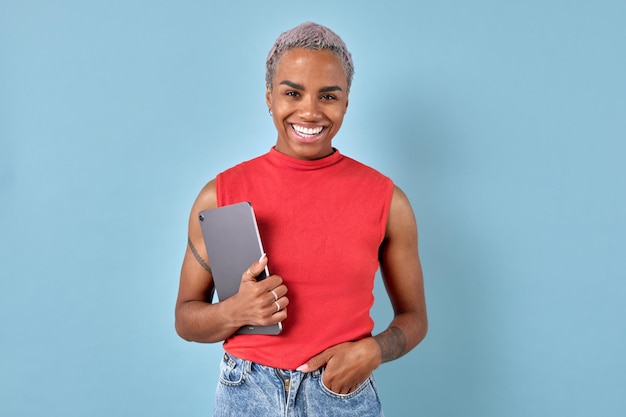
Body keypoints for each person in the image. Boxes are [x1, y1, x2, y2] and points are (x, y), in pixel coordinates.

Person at [175, 22, 427, 416]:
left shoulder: (387, 200)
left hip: (340, 391)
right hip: (248, 392)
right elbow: (186, 318)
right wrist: (234, 312)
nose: (309, 111)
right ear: (269, 97)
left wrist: (374, 351)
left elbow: (415, 318)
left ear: (346, 103)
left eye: (328, 96)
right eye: (293, 92)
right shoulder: (220, 194)